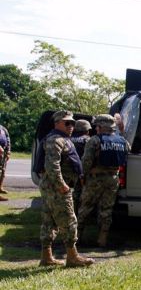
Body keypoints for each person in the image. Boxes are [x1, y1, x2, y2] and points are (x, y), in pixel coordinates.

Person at [36, 110, 93, 267]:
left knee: (49, 221)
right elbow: (51, 166)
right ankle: (72, 257)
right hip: (57, 188)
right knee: (69, 220)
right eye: (67, 123)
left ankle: (46, 257)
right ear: (57, 123)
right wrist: (62, 185)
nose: (71, 126)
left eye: (73, 123)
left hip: (51, 186)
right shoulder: (56, 140)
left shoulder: (61, 138)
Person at [77, 114, 129, 248]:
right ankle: (102, 239)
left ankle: (76, 238)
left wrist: (82, 175)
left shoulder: (94, 140)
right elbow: (127, 152)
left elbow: (86, 161)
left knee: (85, 207)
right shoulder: (123, 141)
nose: (95, 128)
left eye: (96, 126)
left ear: (100, 127)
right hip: (113, 179)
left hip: (95, 179)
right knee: (106, 209)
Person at [71, 119, 92, 211]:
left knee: (73, 192)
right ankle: (80, 214)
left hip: (70, 170)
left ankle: (72, 211)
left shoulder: (68, 138)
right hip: (83, 170)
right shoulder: (88, 140)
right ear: (87, 130)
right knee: (83, 193)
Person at [0, 119, 11, 201]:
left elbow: (8, 140)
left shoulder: (3, 128)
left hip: (3, 153)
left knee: (2, 172)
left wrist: (8, 152)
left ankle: (0, 187)